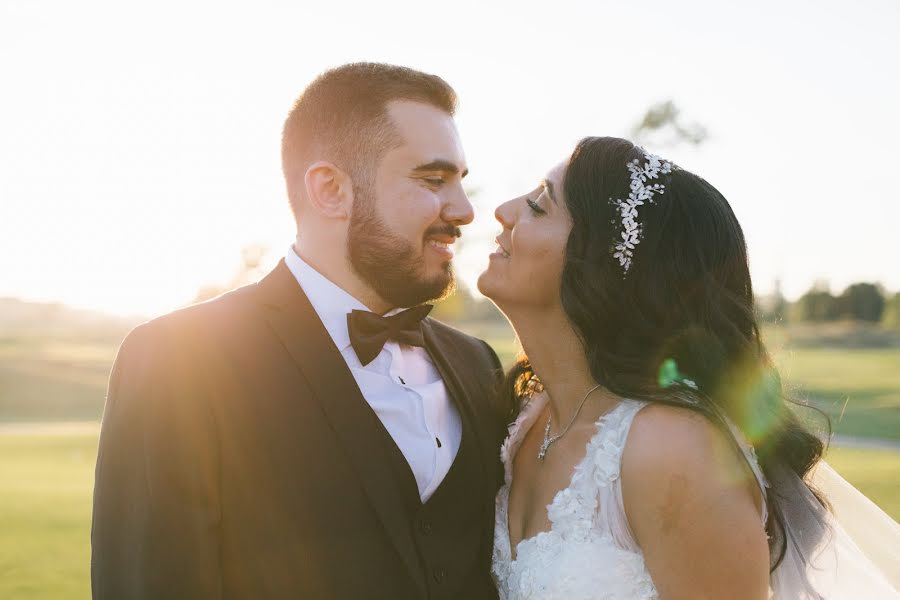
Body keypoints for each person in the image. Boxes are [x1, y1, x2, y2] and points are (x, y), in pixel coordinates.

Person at [91, 63, 506, 599]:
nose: (465, 211)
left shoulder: (477, 364)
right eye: (432, 179)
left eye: (459, 183)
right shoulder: (179, 359)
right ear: (331, 190)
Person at [479, 136, 900, 599]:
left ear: (602, 265)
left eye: (539, 207)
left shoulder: (672, 447)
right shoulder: (526, 418)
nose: (503, 209)